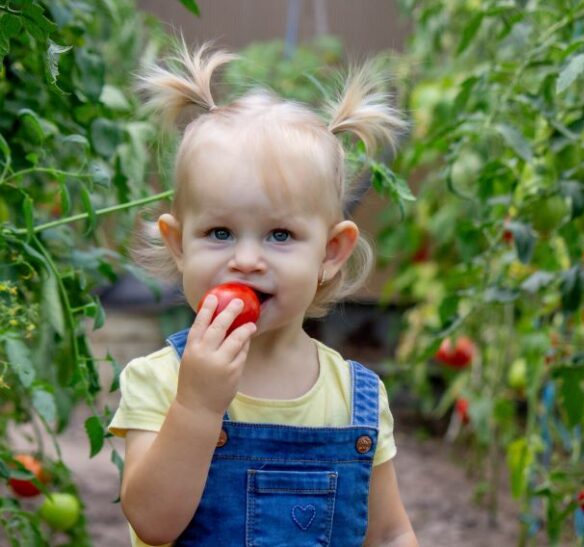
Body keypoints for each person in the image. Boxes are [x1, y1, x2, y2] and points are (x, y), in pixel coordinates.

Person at [107, 40, 416, 546]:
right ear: (178, 244)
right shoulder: (161, 381)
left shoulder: (355, 397)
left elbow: (388, 532)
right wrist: (198, 405)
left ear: (331, 252)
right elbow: (153, 524)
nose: (246, 259)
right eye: (220, 233)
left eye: (280, 235)